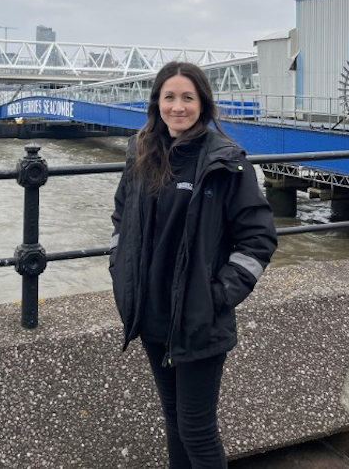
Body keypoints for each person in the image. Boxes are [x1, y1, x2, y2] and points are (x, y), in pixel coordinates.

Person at [109, 62, 277, 469]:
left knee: (198, 430)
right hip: (151, 316)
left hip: (198, 317)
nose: (178, 106)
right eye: (170, 97)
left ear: (202, 104)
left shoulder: (225, 162)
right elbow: (120, 219)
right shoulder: (141, 153)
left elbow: (258, 239)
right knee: (175, 424)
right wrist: (120, 269)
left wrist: (218, 295)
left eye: (188, 97)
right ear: (157, 103)